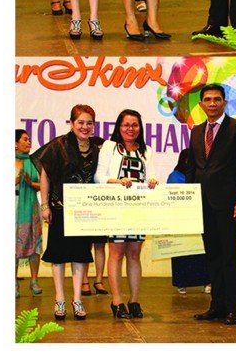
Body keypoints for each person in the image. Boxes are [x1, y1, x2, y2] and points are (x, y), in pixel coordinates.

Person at [185, 83, 236, 325]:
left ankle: (233, 309)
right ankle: (217, 306)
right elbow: (193, 168)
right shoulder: (196, 131)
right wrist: (190, 198)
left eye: (216, 99)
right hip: (203, 204)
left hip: (230, 205)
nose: (212, 103)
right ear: (201, 104)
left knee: (230, 256)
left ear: (224, 102)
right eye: (207, 99)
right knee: (213, 256)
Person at [34, 104, 100, 320]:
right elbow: (45, 176)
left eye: (89, 123)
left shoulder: (98, 149)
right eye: (80, 122)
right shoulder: (58, 145)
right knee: (59, 256)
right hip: (60, 209)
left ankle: (77, 299)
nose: (85, 127)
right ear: (72, 123)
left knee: (80, 255)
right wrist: (45, 206)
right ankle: (60, 299)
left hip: (85, 211)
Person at [95, 109, 159, 319]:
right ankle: (117, 301)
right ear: (119, 127)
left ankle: (134, 300)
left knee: (134, 254)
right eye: (126, 125)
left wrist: (153, 181)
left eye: (134, 125)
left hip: (139, 209)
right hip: (117, 208)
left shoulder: (147, 150)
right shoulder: (110, 147)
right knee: (116, 253)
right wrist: (117, 181)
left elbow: (152, 175)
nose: (130, 129)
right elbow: (99, 177)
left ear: (140, 128)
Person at [167, 149, 209, 294]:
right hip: (181, 221)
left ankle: (206, 281)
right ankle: (182, 283)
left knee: (202, 251)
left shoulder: (201, 174)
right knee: (181, 252)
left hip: (200, 219)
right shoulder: (174, 176)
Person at [16, 130, 43, 298]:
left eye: (29, 140)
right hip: (14, 205)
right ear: (15, 143)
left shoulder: (34, 161)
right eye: (25, 139)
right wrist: (16, 181)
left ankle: (34, 280)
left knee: (35, 242)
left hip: (32, 206)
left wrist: (31, 183)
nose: (29, 142)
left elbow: (44, 185)